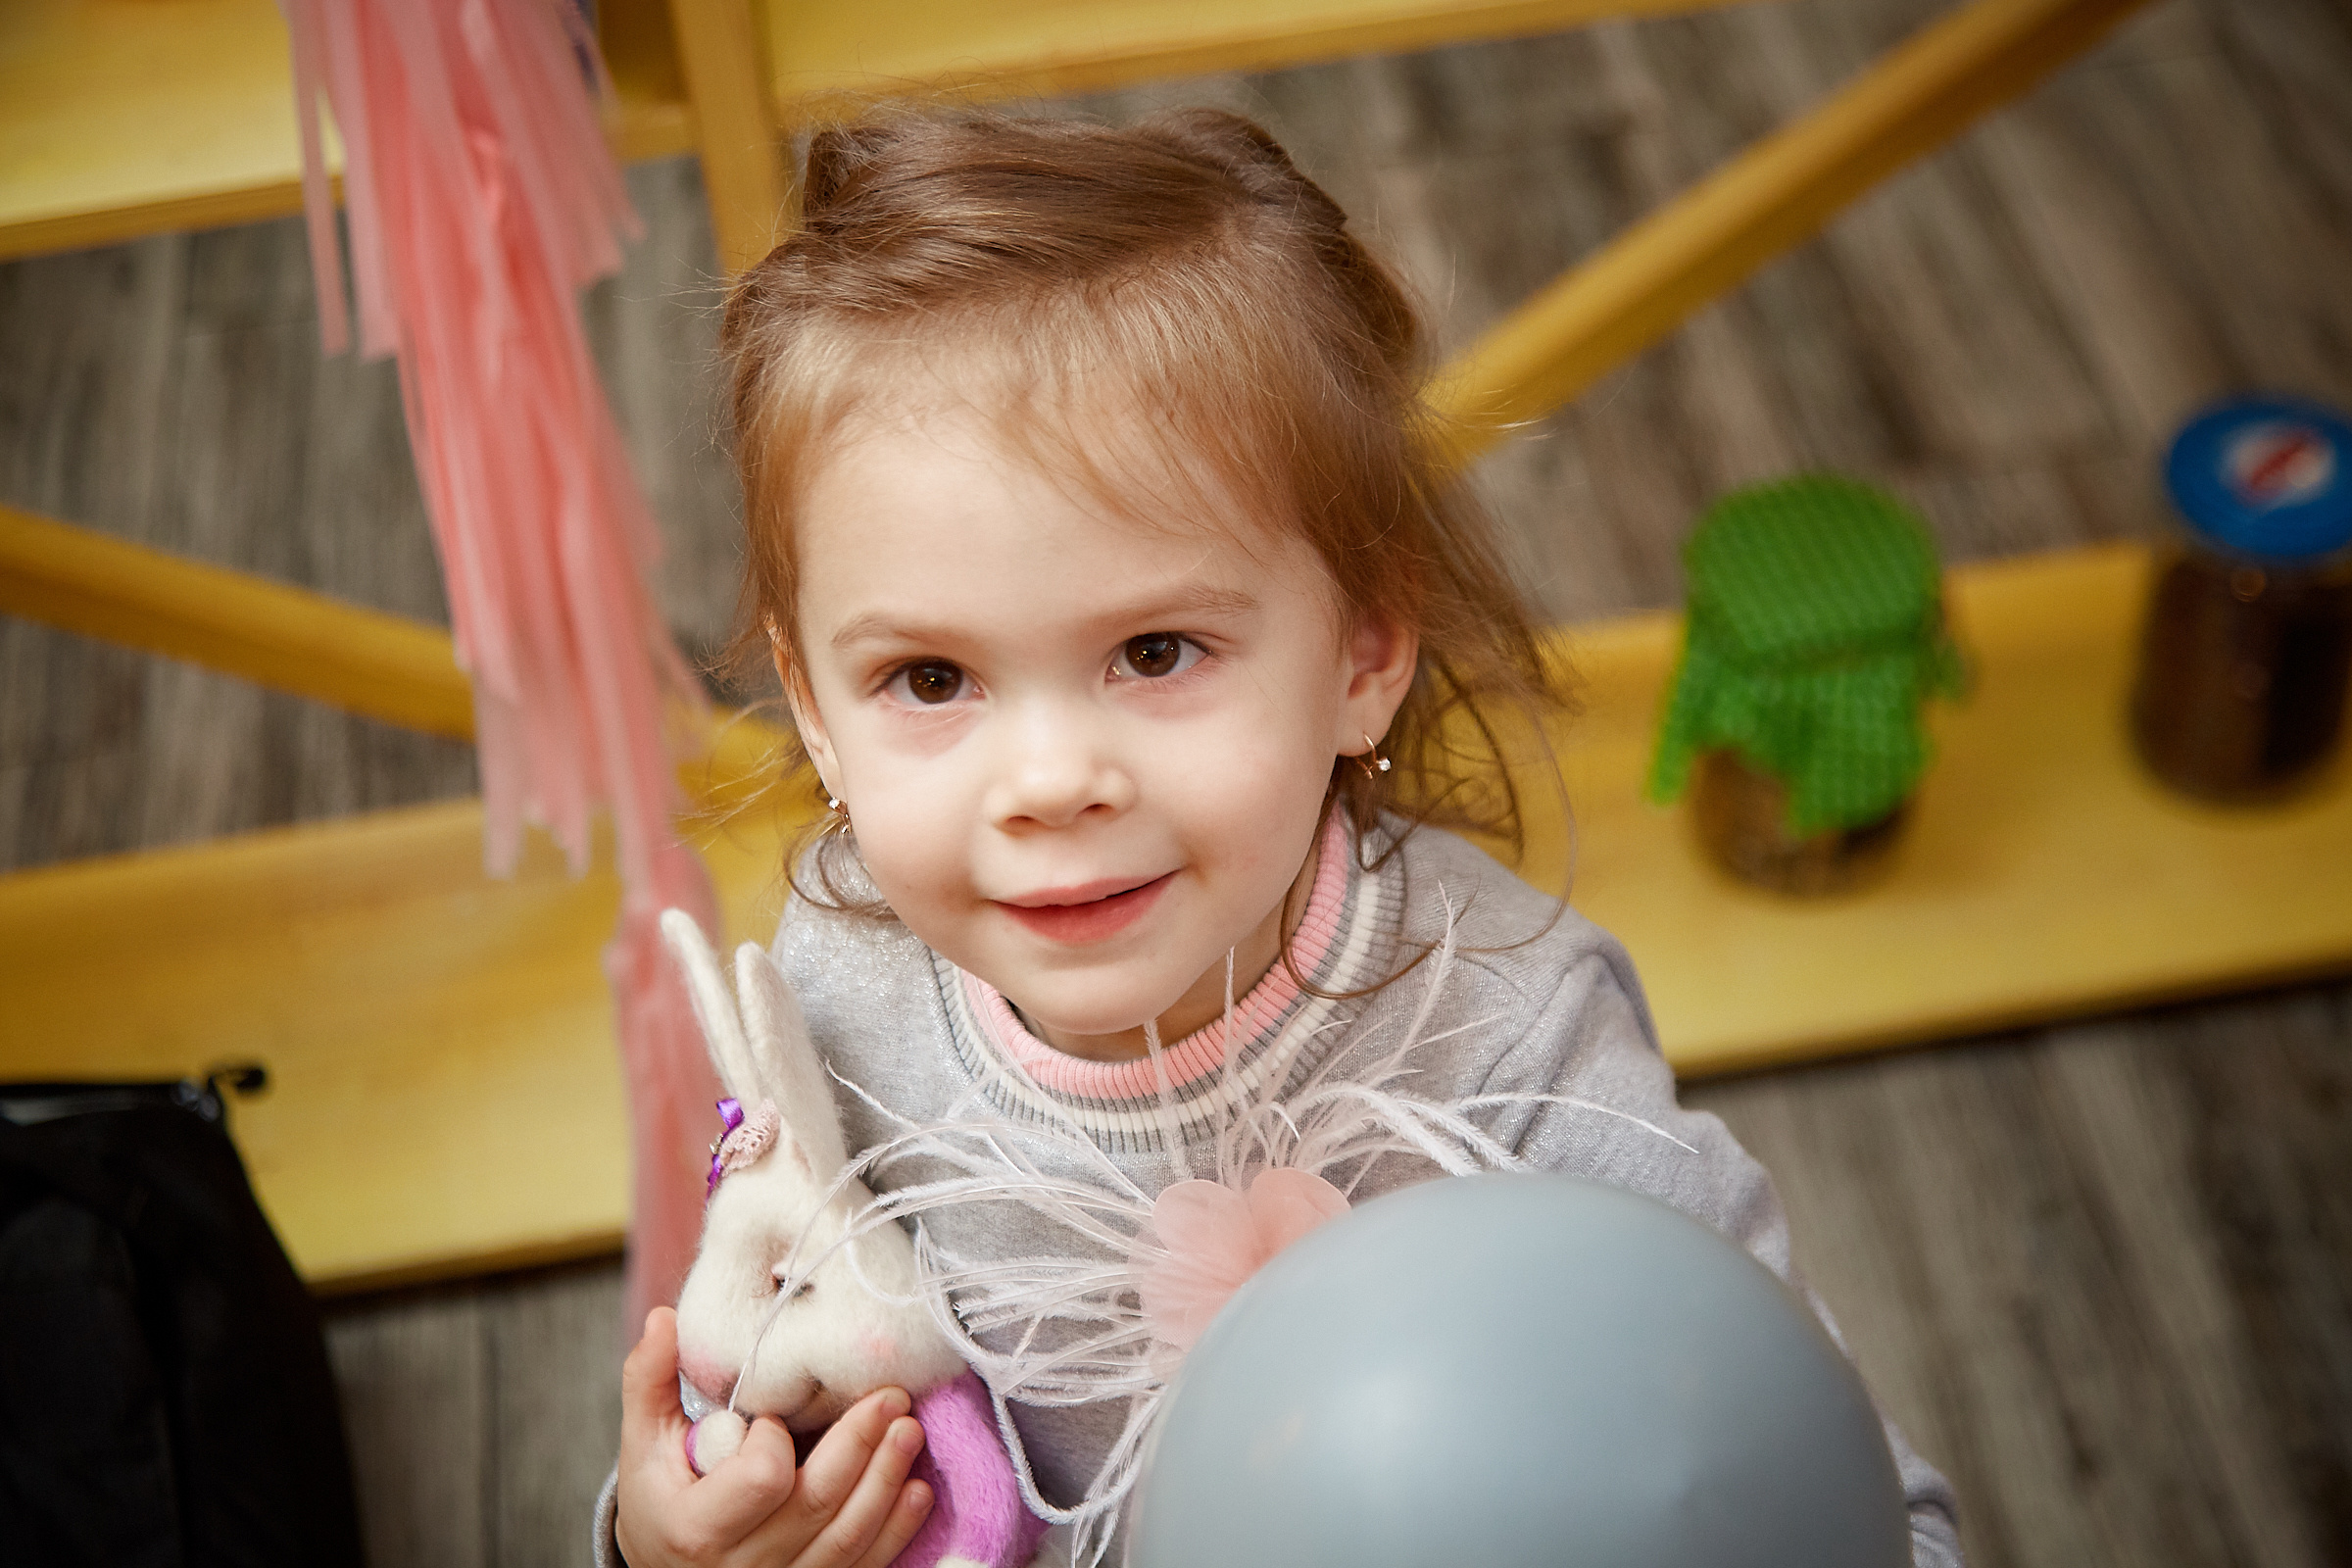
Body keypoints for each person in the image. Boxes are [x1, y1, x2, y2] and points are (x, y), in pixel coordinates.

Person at [600, 108, 1966, 1568]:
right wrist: (673, 1543)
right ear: (812, 708)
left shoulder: (1510, 1037)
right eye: (930, 680)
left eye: (1158, 650)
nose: (1051, 782)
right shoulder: (833, 998)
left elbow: (1854, 1502)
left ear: (1366, 645)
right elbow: (755, 1379)